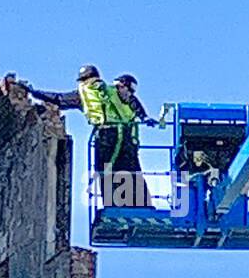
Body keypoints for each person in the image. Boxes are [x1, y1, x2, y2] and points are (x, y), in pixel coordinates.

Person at [28, 66, 154, 207]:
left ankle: (113, 206)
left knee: (106, 172)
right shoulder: (112, 91)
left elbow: (59, 99)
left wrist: (33, 92)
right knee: (131, 172)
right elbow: (133, 102)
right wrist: (145, 117)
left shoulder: (85, 94)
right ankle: (143, 207)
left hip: (106, 136)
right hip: (125, 138)